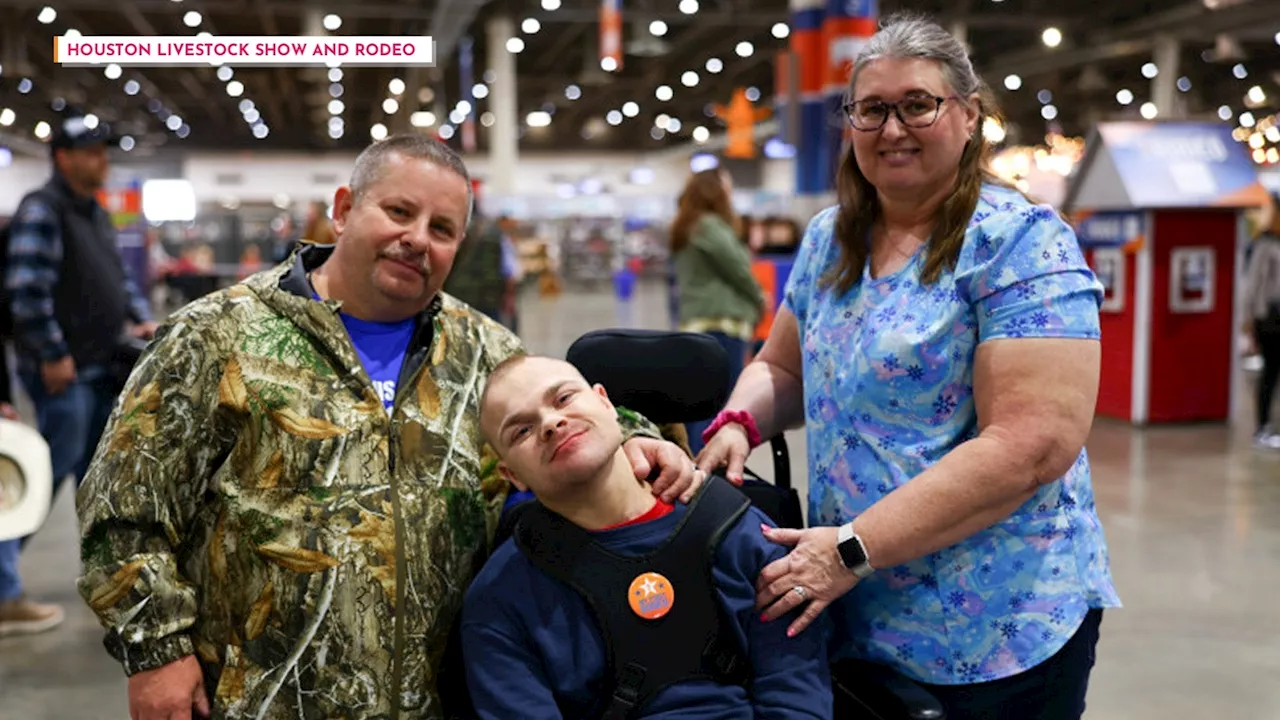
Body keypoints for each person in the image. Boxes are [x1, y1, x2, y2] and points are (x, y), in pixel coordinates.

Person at [75, 134, 700, 720]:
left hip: (442, 700)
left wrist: (639, 436)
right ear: (345, 209)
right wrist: (155, 650)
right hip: (263, 699)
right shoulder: (217, 336)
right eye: (399, 212)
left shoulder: (480, 348)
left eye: (442, 229)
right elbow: (123, 507)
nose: (417, 239)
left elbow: (563, 408)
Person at [697, 14, 1120, 720]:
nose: (892, 129)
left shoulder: (1021, 245)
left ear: (967, 116)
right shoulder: (830, 239)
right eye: (872, 109)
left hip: (994, 630)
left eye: (917, 104)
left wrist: (853, 548)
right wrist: (740, 419)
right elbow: (786, 368)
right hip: (852, 611)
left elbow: (1032, 446)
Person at [462, 354, 832, 720]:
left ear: (606, 403)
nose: (551, 423)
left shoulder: (741, 532)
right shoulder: (500, 600)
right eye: (522, 430)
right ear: (513, 476)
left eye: (563, 398)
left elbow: (796, 698)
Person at [0, 114, 157, 636]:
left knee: (98, 481)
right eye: (90, 152)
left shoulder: (91, 212)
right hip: (65, 373)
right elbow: (26, 293)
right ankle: (2, 590)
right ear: (62, 157)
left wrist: (137, 317)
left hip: (100, 369)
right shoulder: (43, 211)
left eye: (103, 151)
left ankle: (107, 580)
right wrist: (51, 352)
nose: (101, 160)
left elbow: (116, 279)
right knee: (35, 479)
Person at [669, 169, 766, 455]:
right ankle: (705, 482)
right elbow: (739, 270)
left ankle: (694, 477)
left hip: (697, 325)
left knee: (699, 409)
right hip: (720, 328)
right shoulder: (710, 226)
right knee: (717, 412)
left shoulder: (687, 225)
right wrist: (760, 301)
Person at [1243, 204, 1280, 449]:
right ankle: (1262, 427)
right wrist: (1249, 319)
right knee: (1270, 372)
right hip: (1269, 319)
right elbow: (1253, 283)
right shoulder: (1265, 244)